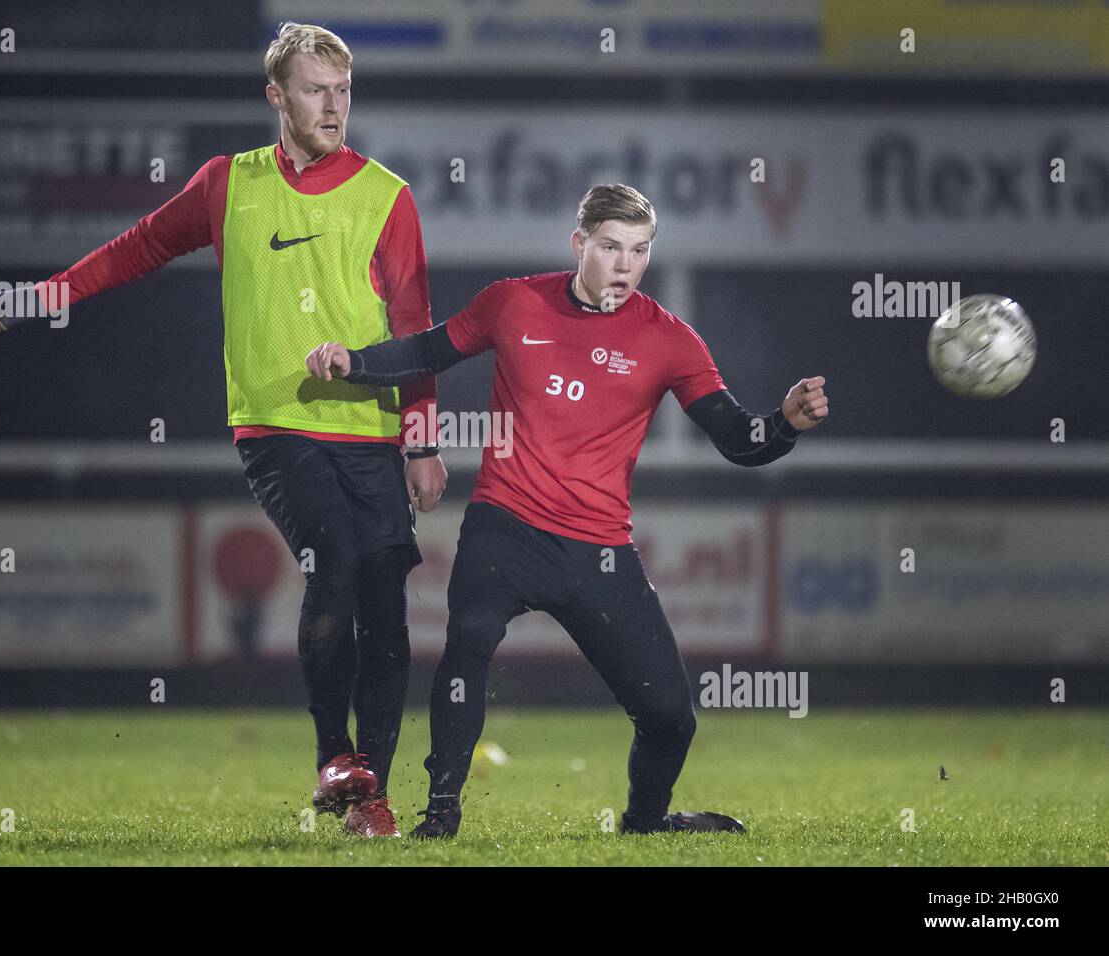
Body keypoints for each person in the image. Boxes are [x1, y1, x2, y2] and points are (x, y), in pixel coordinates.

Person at [0, 22, 447, 838]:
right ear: (276, 96)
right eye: (314, 89)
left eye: (342, 90)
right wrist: (37, 298)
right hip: (275, 426)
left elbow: (415, 326)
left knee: (386, 603)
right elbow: (138, 248)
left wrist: (425, 437)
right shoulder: (229, 184)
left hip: (370, 432)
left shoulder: (387, 195)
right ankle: (336, 756)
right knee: (330, 557)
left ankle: (369, 797)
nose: (332, 106)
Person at [305, 183, 829, 838]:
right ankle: (440, 812)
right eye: (611, 247)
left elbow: (737, 440)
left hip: (598, 551)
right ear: (580, 244)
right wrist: (352, 361)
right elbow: (426, 351)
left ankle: (643, 823)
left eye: (639, 251)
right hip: (505, 526)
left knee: (671, 717)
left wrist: (783, 422)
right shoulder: (514, 302)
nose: (624, 264)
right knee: (467, 644)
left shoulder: (670, 341)